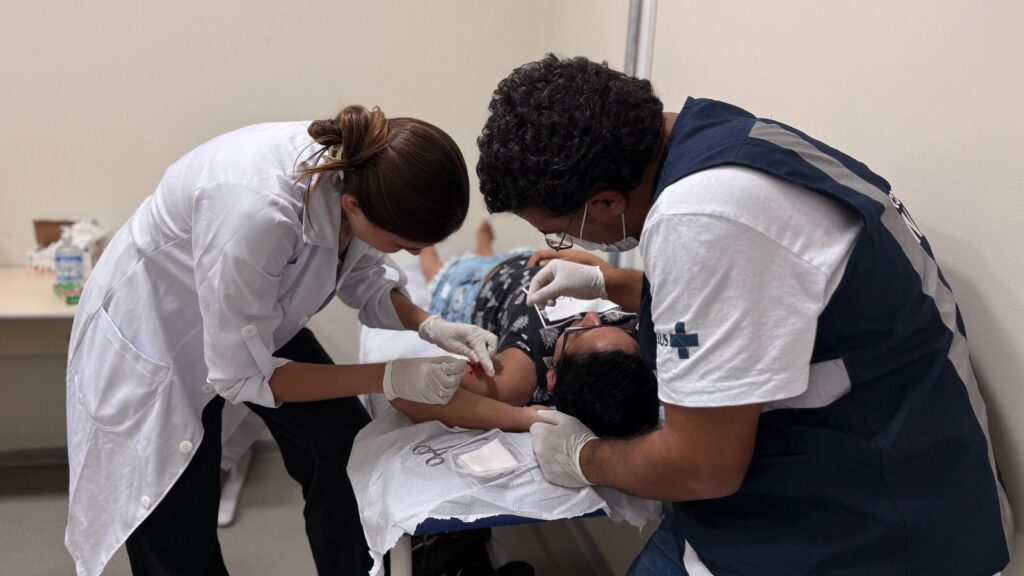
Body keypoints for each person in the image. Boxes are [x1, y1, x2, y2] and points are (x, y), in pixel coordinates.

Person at [476, 55, 1013, 575]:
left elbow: (702, 466)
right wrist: (612, 283)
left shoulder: (699, 218)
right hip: (845, 475)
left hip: (874, 525)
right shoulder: (718, 136)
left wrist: (584, 456)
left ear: (608, 203)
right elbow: (760, 301)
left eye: (560, 233)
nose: (566, 243)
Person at [65, 105, 500, 576]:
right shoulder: (254, 211)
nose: (410, 254)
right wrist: (389, 375)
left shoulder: (362, 174)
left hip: (249, 320)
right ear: (353, 207)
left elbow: (363, 275)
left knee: (344, 447)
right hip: (157, 341)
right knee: (178, 534)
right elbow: (242, 376)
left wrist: (430, 325)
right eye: (402, 245)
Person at [390, 222, 659, 438]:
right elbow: (634, 289)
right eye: (618, 327)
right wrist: (596, 268)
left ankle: (434, 247)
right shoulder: (636, 343)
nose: (592, 316)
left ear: (552, 377)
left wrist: (521, 418)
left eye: (583, 330)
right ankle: (484, 246)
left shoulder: (519, 377)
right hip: (526, 263)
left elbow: (409, 394)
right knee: (485, 256)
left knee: (435, 268)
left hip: (476, 291)